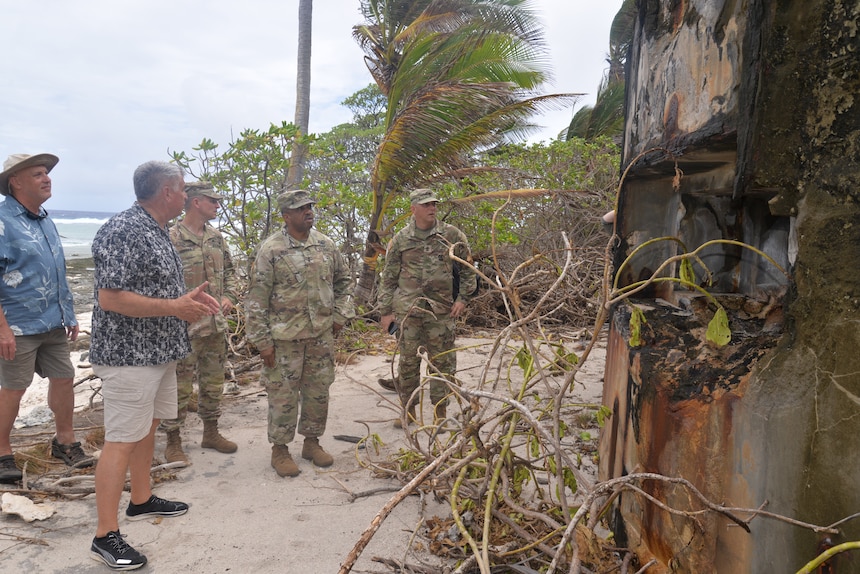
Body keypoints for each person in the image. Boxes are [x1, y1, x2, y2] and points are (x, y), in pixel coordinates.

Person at [88, 161, 220, 570]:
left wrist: (188, 300)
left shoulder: (157, 229)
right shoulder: (122, 229)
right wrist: (173, 306)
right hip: (129, 356)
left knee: (149, 426)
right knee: (121, 438)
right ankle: (104, 536)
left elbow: (153, 289)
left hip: (160, 351)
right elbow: (110, 297)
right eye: (182, 190)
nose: (185, 197)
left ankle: (141, 499)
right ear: (167, 192)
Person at [245, 189, 354, 478]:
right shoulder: (272, 249)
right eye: (300, 208)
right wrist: (262, 342)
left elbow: (344, 282)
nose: (308, 211)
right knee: (283, 395)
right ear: (286, 215)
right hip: (284, 341)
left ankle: (312, 443)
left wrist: (341, 315)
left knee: (318, 392)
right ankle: (280, 450)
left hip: (321, 335)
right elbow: (256, 298)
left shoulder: (326, 245)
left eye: (309, 206)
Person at [0, 153, 94, 484]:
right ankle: (2, 452)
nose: (47, 178)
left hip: (53, 322)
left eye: (47, 173)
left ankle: (65, 442)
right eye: (38, 173)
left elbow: (57, 272)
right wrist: (3, 330)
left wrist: (68, 314)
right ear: (16, 181)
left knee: (64, 379)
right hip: (17, 324)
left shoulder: (45, 220)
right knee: (14, 388)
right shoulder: (2, 220)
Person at [377, 188, 477, 428]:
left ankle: (440, 413)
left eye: (434, 204)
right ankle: (408, 411)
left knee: (442, 362)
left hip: (441, 311)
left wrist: (463, 298)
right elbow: (388, 277)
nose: (432, 208)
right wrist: (385, 311)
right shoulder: (400, 239)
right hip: (408, 311)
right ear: (414, 209)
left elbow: (468, 270)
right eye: (426, 205)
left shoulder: (451, 234)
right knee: (408, 362)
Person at [160, 181, 240, 464]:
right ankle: (173, 440)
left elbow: (231, 272)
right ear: (196, 202)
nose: (217, 206)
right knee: (178, 387)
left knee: (213, 382)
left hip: (215, 326)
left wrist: (230, 295)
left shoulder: (217, 237)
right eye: (212, 201)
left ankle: (211, 432)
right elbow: (160, 282)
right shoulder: (170, 237)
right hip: (182, 328)